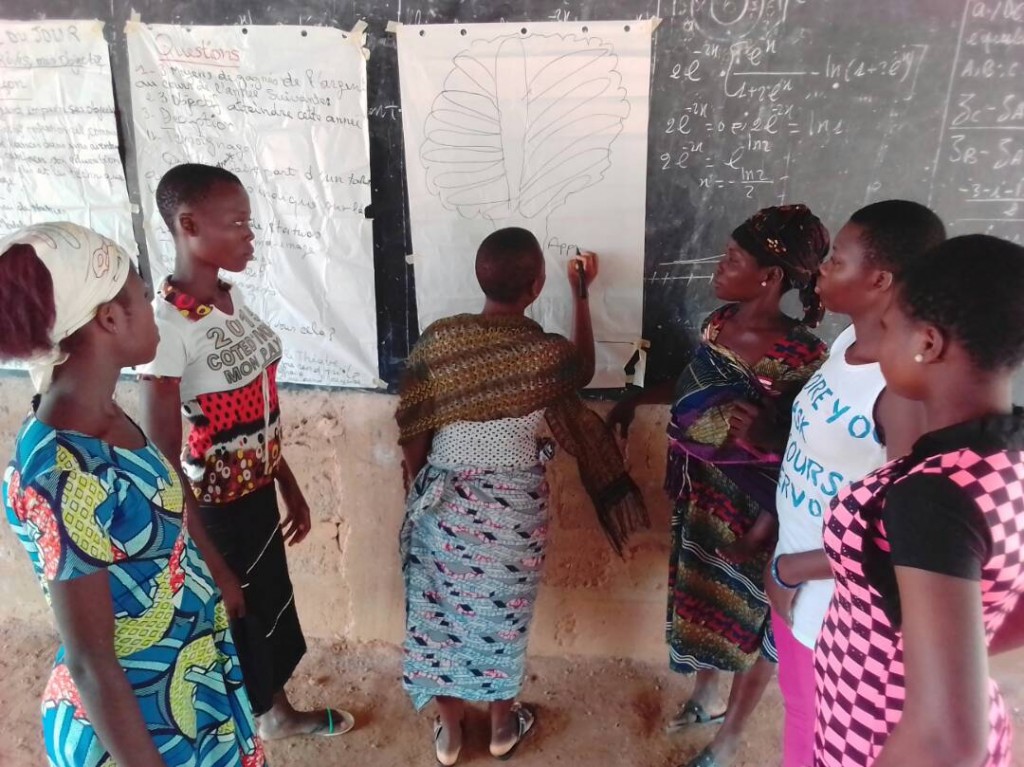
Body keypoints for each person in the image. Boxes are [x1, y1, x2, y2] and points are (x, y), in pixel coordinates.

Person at [0, 222, 264, 766]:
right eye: (144, 297)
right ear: (110, 318)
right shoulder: (62, 474)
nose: (154, 307)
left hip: (183, 667)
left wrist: (210, 569)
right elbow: (92, 661)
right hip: (141, 718)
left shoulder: (102, 412)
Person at [395, 227, 647, 765]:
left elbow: (414, 427)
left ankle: (450, 732)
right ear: (536, 286)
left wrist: (418, 491)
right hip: (512, 510)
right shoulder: (545, 355)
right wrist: (581, 295)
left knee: (436, 615)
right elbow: (583, 366)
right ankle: (502, 728)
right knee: (502, 615)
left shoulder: (440, 341)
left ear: (479, 278)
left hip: (441, 501)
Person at [609, 204, 830, 767]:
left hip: (757, 513)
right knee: (706, 604)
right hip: (702, 494)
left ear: (770, 277)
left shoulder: (802, 356)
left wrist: (762, 526)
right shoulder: (720, 323)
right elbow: (693, 384)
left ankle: (730, 737)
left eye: (732, 257)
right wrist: (635, 400)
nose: (720, 265)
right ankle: (706, 697)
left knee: (755, 619)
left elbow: (805, 452)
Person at [137, 163, 352, 740]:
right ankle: (253, 726)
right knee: (239, 615)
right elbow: (162, 462)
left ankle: (276, 713)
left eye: (248, 224)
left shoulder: (230, 304)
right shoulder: (169, 328)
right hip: (216, 510)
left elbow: (254, 406)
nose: (250, 237)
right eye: (237, 224)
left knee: (270, 608)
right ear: (188, 225)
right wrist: (207, 556)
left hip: (256, 492)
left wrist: (287, 480)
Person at [814, 234, 1024, 767]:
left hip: (879, 735)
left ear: (927, 343)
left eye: (888, 329)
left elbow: (944, 741)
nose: (880, 346)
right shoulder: (1006, 454)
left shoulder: (933, 497)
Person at [764, 200, 945, 767]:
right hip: (799, 577)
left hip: (836, 599)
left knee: (820, 734)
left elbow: (903, 536)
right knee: (800, 712)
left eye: (835, 259)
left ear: (880, 279)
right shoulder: (847, 345)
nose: (820, 268)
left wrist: (790, 570)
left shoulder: (902, 391)